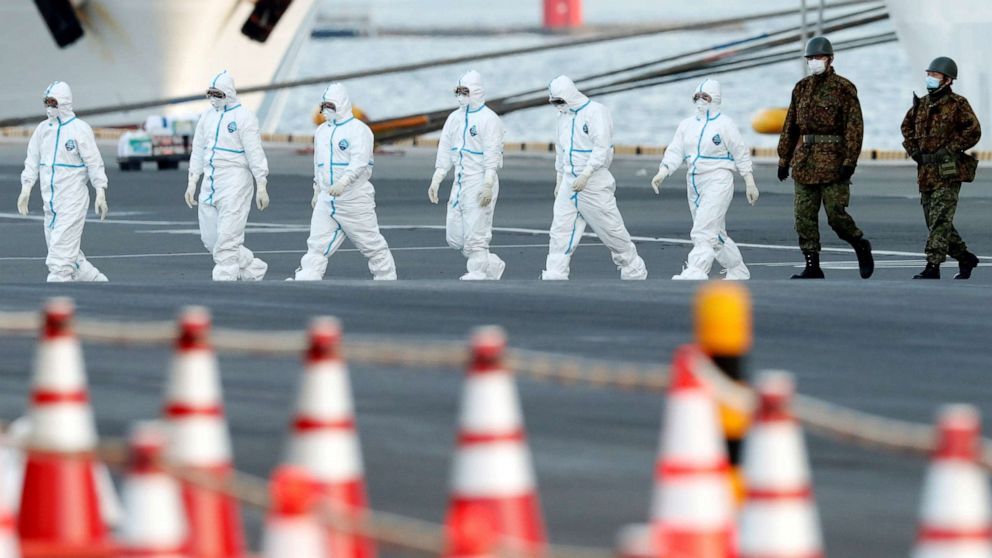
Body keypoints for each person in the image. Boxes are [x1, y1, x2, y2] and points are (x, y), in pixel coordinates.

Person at [777, 36, 874, 280]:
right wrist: (783, 159)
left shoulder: (844, 88)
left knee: (836, 216)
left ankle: (860, 244)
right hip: (805, 162)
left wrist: (850, 162)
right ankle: (812, 264)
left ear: (830, 59)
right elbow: (790, 126)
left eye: (818, 58)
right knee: (803, 217)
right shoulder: (801, 88)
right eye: (810, 58)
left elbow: (854, 127)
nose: (814, 62)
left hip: (834, 163)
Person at [652, 78, 759, 280]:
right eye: (697, 97)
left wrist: (749, 181)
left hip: (718, 178)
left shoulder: (725, 125)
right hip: (694, 179)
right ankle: (737, 269)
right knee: (715, 233)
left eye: (705, 97)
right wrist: (663, 170)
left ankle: (697, 269)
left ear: (715, 99)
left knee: (703, 228)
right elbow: (676, 150)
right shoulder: (687, 125)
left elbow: (740, 153)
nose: (700, 101)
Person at [541, 75, 647, 280]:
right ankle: (556, 270)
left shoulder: (595, 112)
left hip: (593, 180)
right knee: (560, 228)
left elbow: (602, 147)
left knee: (610, 228)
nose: (557, 106)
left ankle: (633, 267)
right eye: (553, 102)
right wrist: (560, 177)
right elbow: (560, 149)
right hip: (570, 180)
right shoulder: (562, 117)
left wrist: (587, 173)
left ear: (569, 95)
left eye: (559, 101)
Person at [290, 82, 396, 280]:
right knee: (317, 242)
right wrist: (317, 189)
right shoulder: (321, 132)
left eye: (330, 106)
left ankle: (386, 277)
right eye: (324, 107)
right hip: (327, 198)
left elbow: (360, 161)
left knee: (370, 243)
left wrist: (344, 182)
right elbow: (318, 164)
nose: (325, 111)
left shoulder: (359, 130)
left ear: (342, 105)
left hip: (354, 198)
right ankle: (309, 274)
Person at [18, 81, 109, 282]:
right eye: (46, 102)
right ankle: (96, 281)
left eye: (53, 102)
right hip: (50, 203)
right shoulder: (43, 130)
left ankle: (59, 288)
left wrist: (100, 190)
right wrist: (26, 187)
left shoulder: (79, 129)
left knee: (59, 260)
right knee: (67, 253)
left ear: (64, 102)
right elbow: (32, 160)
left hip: (72, 201)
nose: (49, 107)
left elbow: (94, 162)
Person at [901, 56, 982, 279]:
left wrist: (951, 148)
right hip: (925, 172)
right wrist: (914, 150)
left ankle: (933, 266)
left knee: (939, 219)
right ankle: (965, 257)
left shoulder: (958, 104)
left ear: (947, 80)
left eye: (935, 75)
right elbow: (906, 128)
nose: (931, 79)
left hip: (947, 170)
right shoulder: (921, 104)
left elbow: (973, 130)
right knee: (934, 220)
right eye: (929, 75)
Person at [185, 70, 270, 281]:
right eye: (210, 94)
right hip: (210, 181)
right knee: (211, 239)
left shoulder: (244, 117)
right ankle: (253, 269)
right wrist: (192, 180)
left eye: (218, 94)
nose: (213, 99)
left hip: (235, 181)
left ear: (228, 93)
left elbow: (255, 153)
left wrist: (261, 183)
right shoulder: (206, 117)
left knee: (227, 240)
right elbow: (198, 149)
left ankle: (224, 280)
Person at [427, 70, 506, 280]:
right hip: (460, 182)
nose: (461, 95)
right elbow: (445, 148)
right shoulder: (455, 118)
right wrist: (437, 177)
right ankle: (492, 265)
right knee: (455, 237)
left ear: (476, 92)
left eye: (465, 91)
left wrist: (488, 183)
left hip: (479, 179)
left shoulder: (489, 120)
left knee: (475, 232)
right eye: (458, 91)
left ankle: (477, 270)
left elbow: (492, 154)